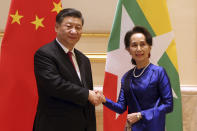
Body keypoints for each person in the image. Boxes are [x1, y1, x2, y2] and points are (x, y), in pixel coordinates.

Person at [33, 8, 100, 131]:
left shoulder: (84, 59)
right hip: (54, 126)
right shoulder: (44, 54)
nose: (74, 31)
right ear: (56, 27)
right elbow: (55, 85)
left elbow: (87, 97)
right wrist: (87, 94)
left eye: (78, 27)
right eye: (69, 26)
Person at [100, 26, 173, 131]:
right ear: (128, 50)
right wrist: (104, 100)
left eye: (142, 44)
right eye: (134, 45)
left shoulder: (158, 72)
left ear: (149, 47)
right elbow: (121, 108)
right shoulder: (126, 77)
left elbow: (168, 105)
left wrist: (140, 115)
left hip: (154, 127)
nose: (139, 49)